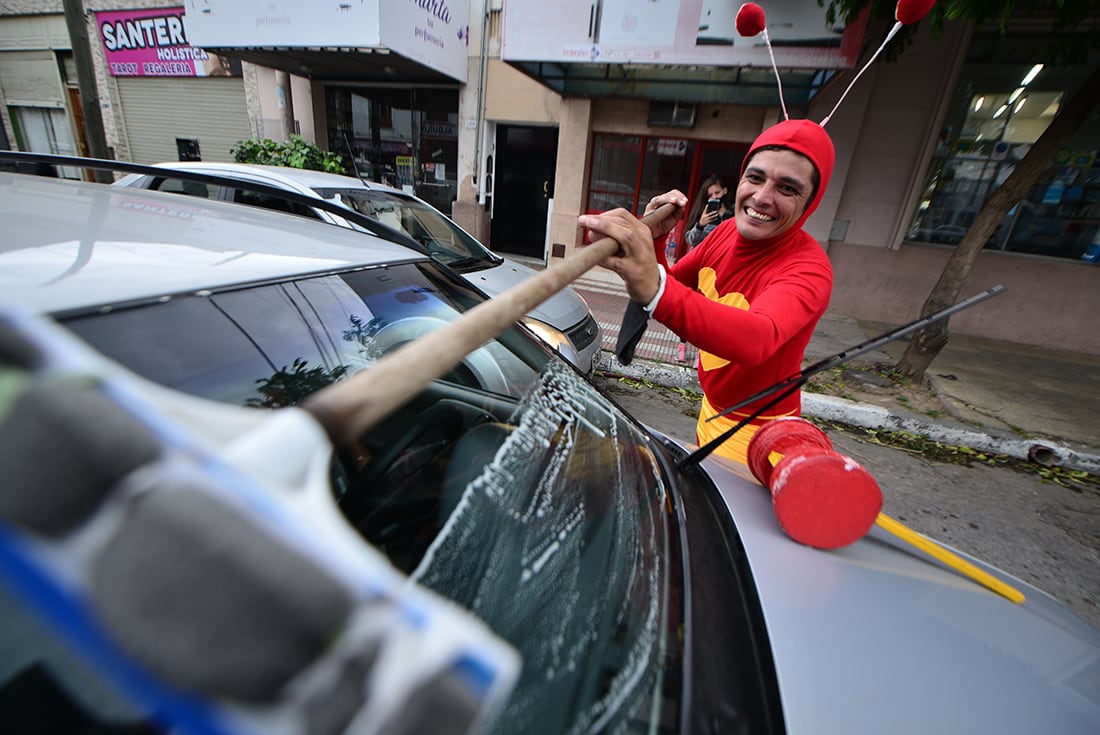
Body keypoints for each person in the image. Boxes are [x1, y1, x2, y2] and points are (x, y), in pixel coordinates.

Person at [579, 119, 835, 464]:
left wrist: (654, 284)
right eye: (755, 178)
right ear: (741, 179)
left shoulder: (809, 269)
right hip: (710, 411)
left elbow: (758, 337)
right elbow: (672, 285)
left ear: (810, 203)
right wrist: (657, 239)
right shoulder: (725, 231)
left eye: (787, 189)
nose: (761, 197)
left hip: (762, 436)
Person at [682, 174, 734, 251]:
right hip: (701, 259)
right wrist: (700, 225)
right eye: (710, 195)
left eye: (717, 193)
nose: (714, 197)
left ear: (724, 191)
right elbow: (690, 240)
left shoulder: (733, 215)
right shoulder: (702, 213)